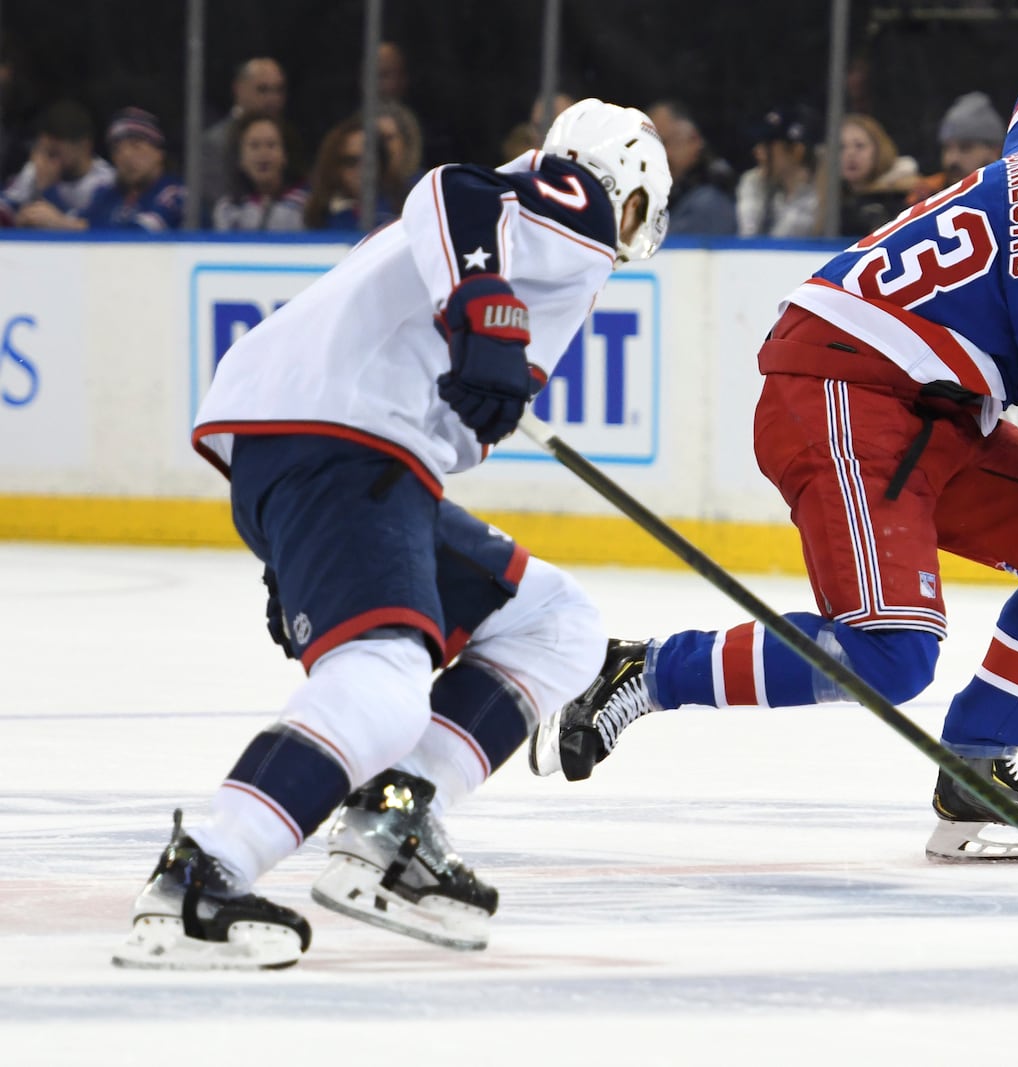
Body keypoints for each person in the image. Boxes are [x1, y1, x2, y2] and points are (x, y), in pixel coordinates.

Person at [543, 82, 1018, 864]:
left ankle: (978, 771)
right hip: (844, 394)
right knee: (891, 654)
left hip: (929, 411)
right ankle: (642, 671)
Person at [111, 98, 672, 970]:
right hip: (348, 447)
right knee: (380, 685)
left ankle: (390, 821)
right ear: (634, 194)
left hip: (330, 456)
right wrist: (484, 300)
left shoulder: (522, 231)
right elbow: (454, 188)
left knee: (555, 622)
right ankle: (202, 877)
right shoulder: (577, 204)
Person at [197, 58, 295, 222]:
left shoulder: (289, 134)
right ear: (238, 89)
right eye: (263, 89)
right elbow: (214, 201)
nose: (273, 98)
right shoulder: (213, 142)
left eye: (279, 90)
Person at [0, 99, 114, 229]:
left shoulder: (106, 181)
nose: (46, 160)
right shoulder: (35, 170)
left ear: (84, 147)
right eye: (43, 150)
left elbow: (100, 227)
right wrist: (17, 217)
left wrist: (49, 191)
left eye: (54, 153)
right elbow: (6, 204)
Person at [79, 108, 185, 232]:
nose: (126, 156)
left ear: (159, 152)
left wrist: (79, 226)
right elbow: (77, 222)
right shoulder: (107, 195)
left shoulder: (174, 194)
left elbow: (138, 236)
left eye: (136, 146)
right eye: (117, 150)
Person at [648, 99, 737, 235]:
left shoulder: (709, 203)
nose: (662, 154)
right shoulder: (665, 195)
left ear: (694, 140)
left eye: (666, 142)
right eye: (652, 146)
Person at [823, 112, 920, 237]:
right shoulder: (831, 199)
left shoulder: (901, 197)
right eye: (841, 147)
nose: (850, 154)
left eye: (860, 146)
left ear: (878, 150)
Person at [903, 91, 1005, 206]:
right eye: (947, 148)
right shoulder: (926, 195)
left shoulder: (1011, 195)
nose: (952, 159)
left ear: (995, 151)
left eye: (965, 148)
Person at [302, 116, 401, 232]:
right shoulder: (317, 215)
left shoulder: (401, 212)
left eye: (369, 161)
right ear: (334, 168)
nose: (362, 169)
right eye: (351, 162)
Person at [211, 111, 306, 232]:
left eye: (271, 145)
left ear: (285, 155)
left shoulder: (305, 205)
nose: (263, 154)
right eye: (254, 146)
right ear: (240, 158)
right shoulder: (227, 208)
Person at [735, 106, 819, 238]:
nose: (758, 152)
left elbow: (784, 240)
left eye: (768, 147)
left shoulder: (817, 194)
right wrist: (754, 183)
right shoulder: (757, 182)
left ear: (797, 151)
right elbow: (748, 236)